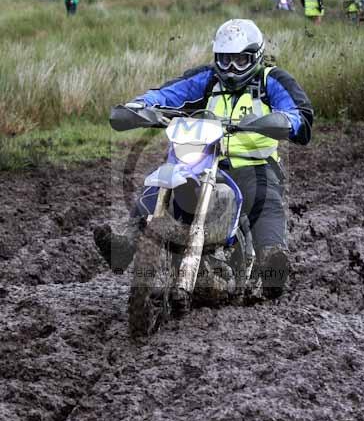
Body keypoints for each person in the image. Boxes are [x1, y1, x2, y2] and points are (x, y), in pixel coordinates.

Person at [94, 19, 314, 299]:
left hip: (253, 164)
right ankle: (125, 245)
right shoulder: (208, 78)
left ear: (255, 57)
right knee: (162, 182)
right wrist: (139, 107)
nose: (231, 68)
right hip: (204, 160)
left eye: (240, 61)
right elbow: (168, 94)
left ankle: (272, 261)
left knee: (264, 197)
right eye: (225, 60)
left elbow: (300, 114)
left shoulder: (271, 80)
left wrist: (282, 121)